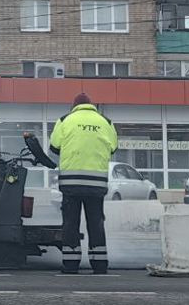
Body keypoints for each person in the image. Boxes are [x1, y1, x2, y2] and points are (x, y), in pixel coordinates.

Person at [49, 93, 118, 274]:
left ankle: (71, 265)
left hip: (71, 182)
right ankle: (100, 265)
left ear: (74, 105)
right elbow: (113, 147)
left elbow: (54, 147)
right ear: (91, 105)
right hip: (96, 183)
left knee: (71, 223)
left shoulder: (65, 120)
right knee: (96, 222)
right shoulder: (106, 122)